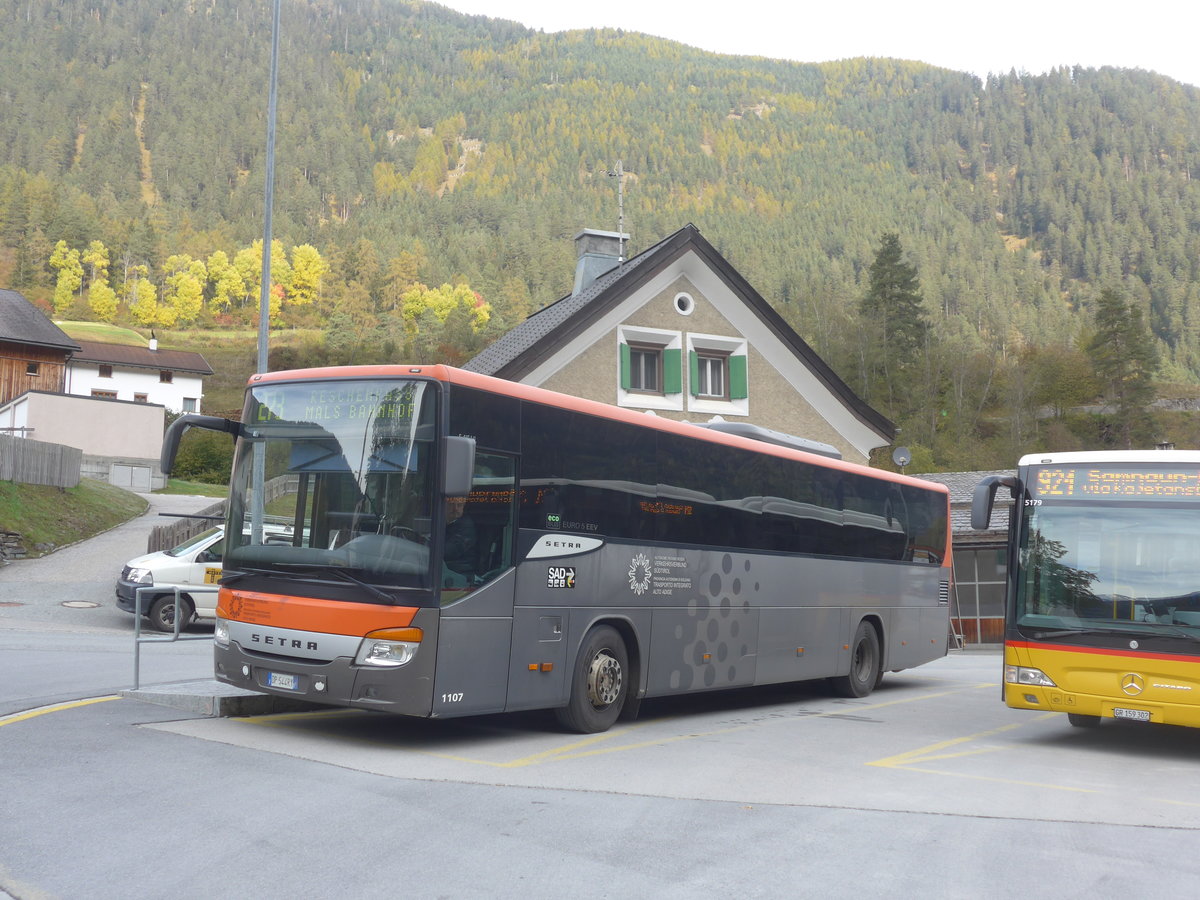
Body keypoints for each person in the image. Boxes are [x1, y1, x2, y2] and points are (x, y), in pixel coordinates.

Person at [443, 495, 477, 577]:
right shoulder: (439, 521)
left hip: (459, 573)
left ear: (463, 506)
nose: (455, 509)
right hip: (444, 569)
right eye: (451, 504)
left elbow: (448, 552)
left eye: (459, 505)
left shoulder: (466, 526)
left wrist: (425, 549)